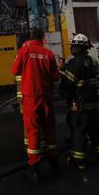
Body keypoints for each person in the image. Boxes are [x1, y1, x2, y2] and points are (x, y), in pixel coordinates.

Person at [11, 28, 60, 182]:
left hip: (30, 98)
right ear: (43, 38)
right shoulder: (49, 54)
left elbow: (15, 70)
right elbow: (56, 77)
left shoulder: (24, 51)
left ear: (30, 37)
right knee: (49, 129)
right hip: (46, 97)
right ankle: (54, 165)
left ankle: (34, 170)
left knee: (33, 132)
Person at [59, 33, 99, 170]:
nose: (72, 48)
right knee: (95, 129)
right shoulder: (92, 61)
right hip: (92, 104)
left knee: (78, 131)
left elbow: (68, 84)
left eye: (74, 46)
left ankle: (79, 161)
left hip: (79, 105)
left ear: (80, 48)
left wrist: (62, 83)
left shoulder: (75, 63)